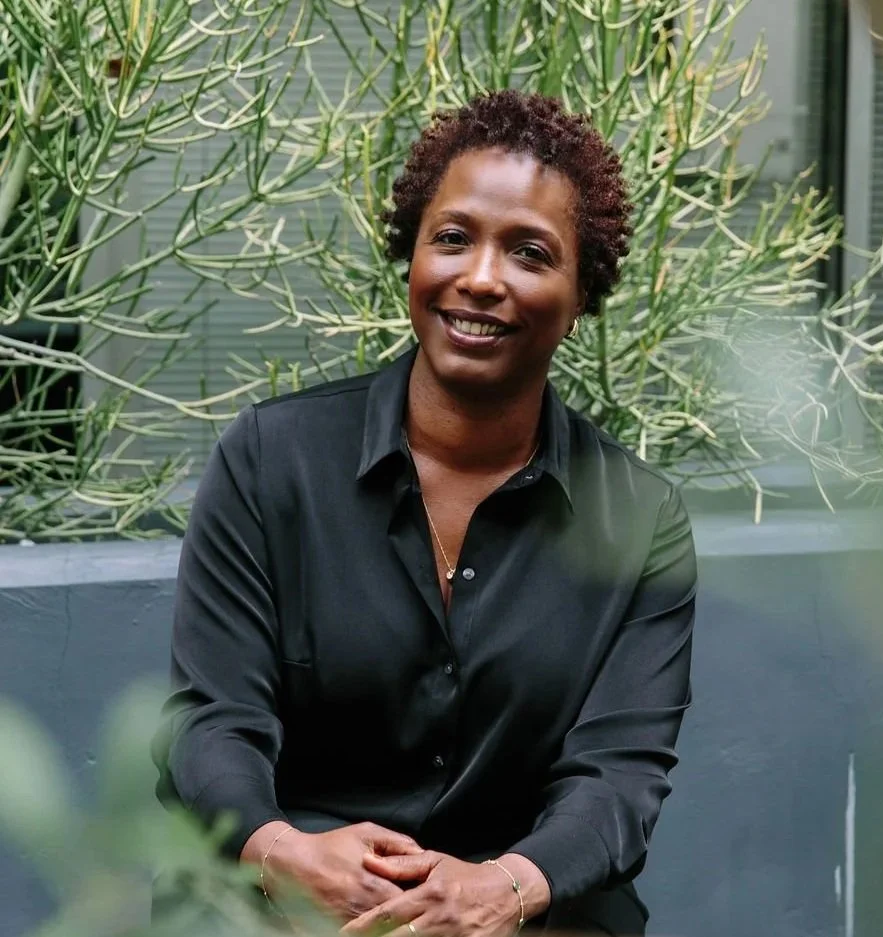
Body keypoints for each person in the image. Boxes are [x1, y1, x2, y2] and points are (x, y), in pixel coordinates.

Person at [152, 89, 697, 937]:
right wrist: (283, 852)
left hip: (518, 906)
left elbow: (618, 773)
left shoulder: (640, 518)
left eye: (529, 252)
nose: (479, 278)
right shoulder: (270, 460)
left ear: (580, 294)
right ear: (411, 254)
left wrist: (504, 888)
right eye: (451, 238)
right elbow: (213, 716)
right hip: (282, 898)